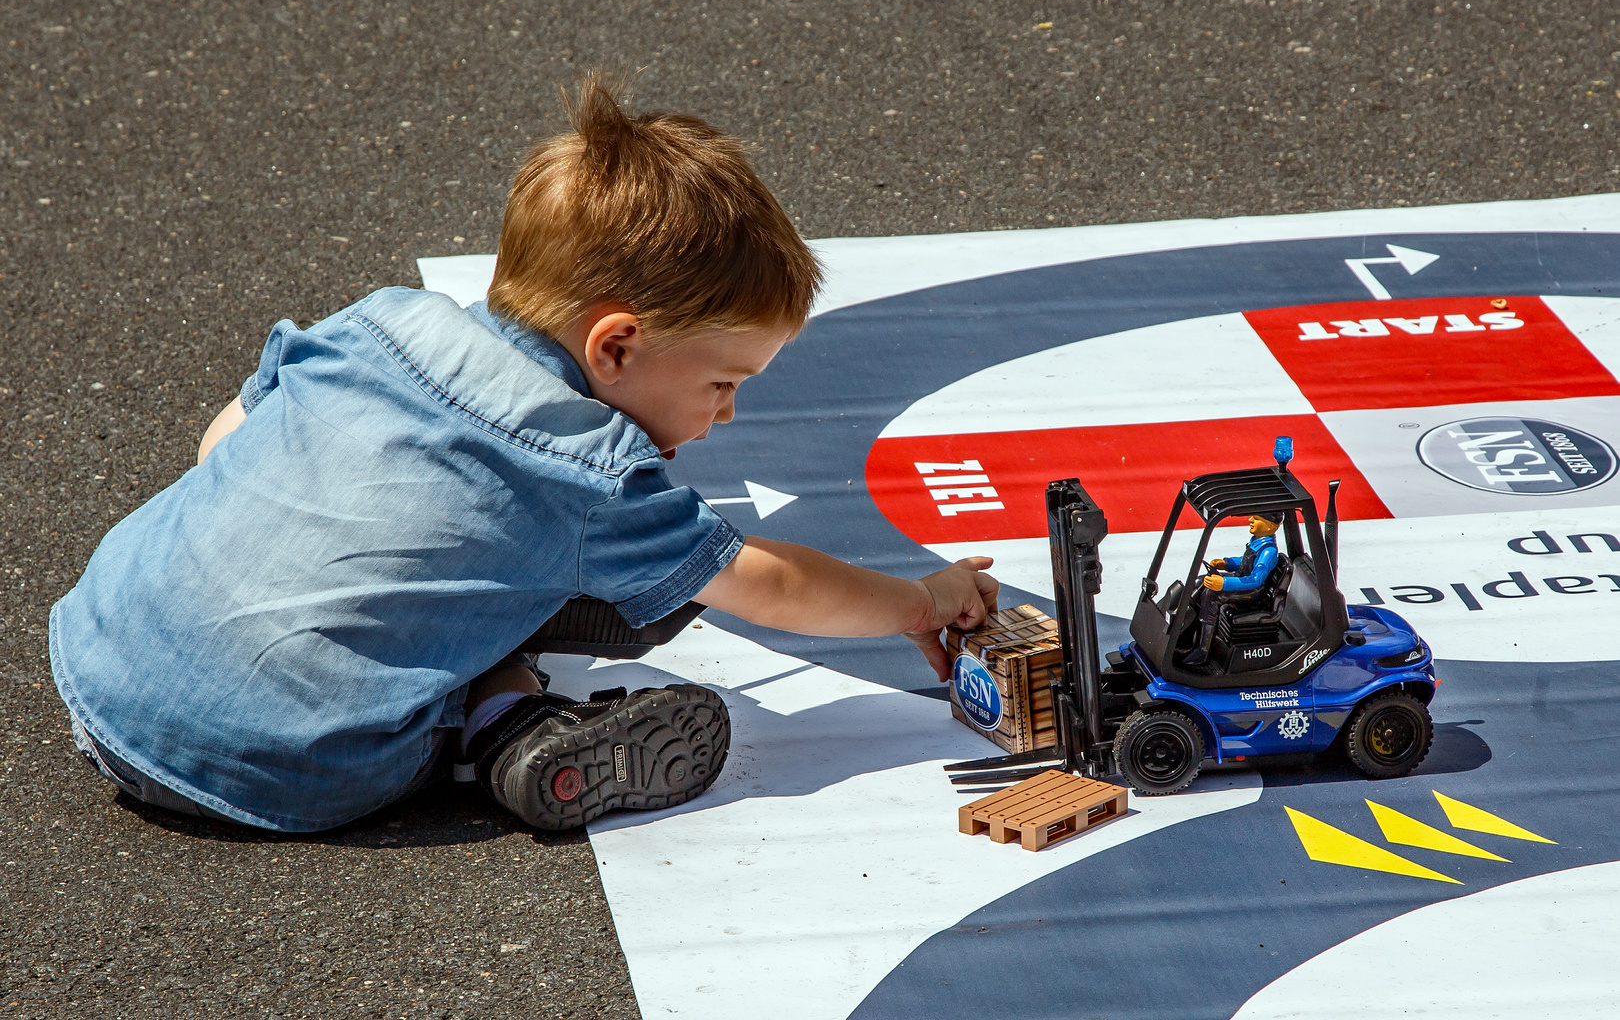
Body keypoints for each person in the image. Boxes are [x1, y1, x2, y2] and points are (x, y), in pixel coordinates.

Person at [48, 75, 1000, 834]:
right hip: (291, 760)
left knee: (438, 543)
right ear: (616, 346)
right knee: (626, 596)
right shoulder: (591, 471)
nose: (729, 415)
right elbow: (773, 586)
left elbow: (225, 438)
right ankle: (506, 721)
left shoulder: (380, 322)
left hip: (101, 661)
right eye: (723, 382)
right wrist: (917, 601)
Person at [1182, 513, 1283, 670]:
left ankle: (1203, 652)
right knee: (1202, 581)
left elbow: (1256, 579)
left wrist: (1224, 583)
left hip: (1254, 591)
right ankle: (1187, 634)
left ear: (1270, 526)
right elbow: (1245, 562)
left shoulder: (1268, 552)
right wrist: (1226, 563)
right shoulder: (1257, 542)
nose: (1250, 520)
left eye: (1256, 518)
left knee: (1213, 595)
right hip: (1245, 581)